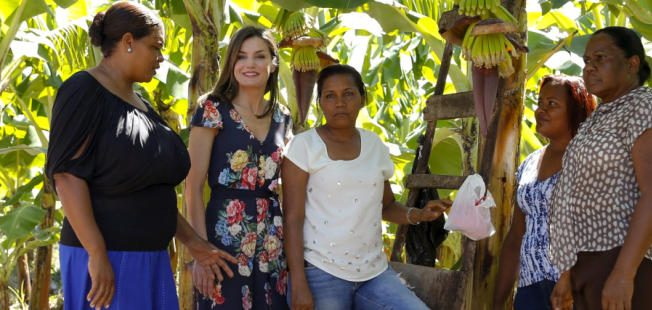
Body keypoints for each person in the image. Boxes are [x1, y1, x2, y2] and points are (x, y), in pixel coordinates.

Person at [45, 3, 237, 310]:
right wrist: (96, 252)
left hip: (151, 257)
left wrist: (195, 244)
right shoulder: (83, 90)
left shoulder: (142, 103)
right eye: (156, 47)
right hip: (108, 255)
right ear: (128, 42)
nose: (161, 59)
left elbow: (150, 191)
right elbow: (67, 176)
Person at [281, 64, 451, 310]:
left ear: (363, 99)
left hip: (374, 274)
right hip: (321, 273)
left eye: (348, 94)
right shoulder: (303, 147)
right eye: (330, 96)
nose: (339, 102)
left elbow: (387, 205)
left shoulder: (373, 144)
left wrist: (420, 215)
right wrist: (298, 282)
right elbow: (292, 219)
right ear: (320, 103)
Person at [548, 26, 652, 310]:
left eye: (601, 58)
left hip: (623, 259)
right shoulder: (598, 119)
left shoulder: (645, 108)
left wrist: (623, 273)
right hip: (589, 262)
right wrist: (568, 273)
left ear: (632, 64)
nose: (590, 68)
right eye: (586, 61)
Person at [186, 26, 293, 309]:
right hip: (223, 239)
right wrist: (200, 253)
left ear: (272, 63)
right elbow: (193, 186)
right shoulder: (212, 109)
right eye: (241, 57)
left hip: (273, 238)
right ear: (232, 63)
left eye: (259, 56)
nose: (250, 64)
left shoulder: (283, 116)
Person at [492, 75, 596, 310]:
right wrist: (498, 303)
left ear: (576, 111)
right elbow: (516, 236)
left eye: (552, 104)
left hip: (575, 291)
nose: (541, 110)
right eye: (540, 103)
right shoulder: (529, 164)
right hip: (530, 288)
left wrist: (568, 278)